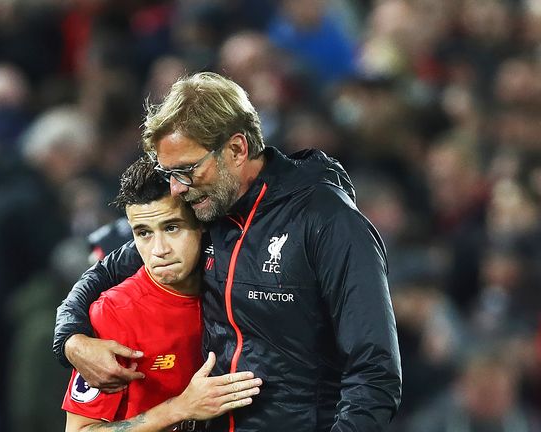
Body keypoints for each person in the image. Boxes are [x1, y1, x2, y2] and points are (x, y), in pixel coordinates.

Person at [54, 72, 402, 431]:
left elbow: (375, 374)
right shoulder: (205, 212)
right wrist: (72, 341)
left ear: (237, 149)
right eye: (168, 172)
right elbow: (102, 274)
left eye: (186, 170)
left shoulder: (328, 222)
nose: (175, 188)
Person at [63, 156, 262, 432]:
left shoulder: (233, 292)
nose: (159, 250)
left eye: (171, 228)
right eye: (143, 233)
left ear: (202, 222)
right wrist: (179, 408)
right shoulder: (115, 313)